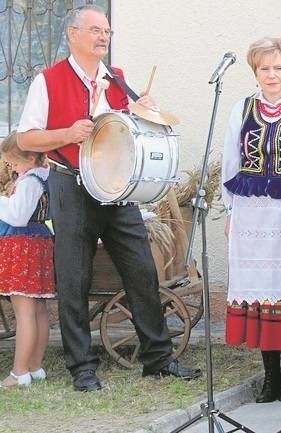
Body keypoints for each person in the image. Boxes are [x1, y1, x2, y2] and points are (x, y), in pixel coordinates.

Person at [16, 5, 200, 392]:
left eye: (108, 32)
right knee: (74, 280)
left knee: (142, 272)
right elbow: (25, 139)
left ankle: (158, 360)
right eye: (96, 30)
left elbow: (131, 129)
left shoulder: (118, 79)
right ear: (72, 34)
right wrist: (67, 133)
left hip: (117, 190)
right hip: (71, 185)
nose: (103, 37)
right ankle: (82, 369)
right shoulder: (47, 80)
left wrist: (145, 111)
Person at [220, 37, 281, 404]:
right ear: (254, 72)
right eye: (264, 68)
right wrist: (231, 211)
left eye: (278, 67)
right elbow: (231, 161)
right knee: (258, 289)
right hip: (251, 212)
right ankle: (268, 376)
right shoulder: (241, 109)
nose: (272, 74)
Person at [0, 132, 54, 388]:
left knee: (24, 313)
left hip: (23, 246)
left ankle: (19, 372)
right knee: (38, 310)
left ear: (31, 157)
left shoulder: (30, 181)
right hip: (39, 242)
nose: (11, 167)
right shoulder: (44, 176)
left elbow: (18, 216)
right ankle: (34, 367)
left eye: (13, 162)